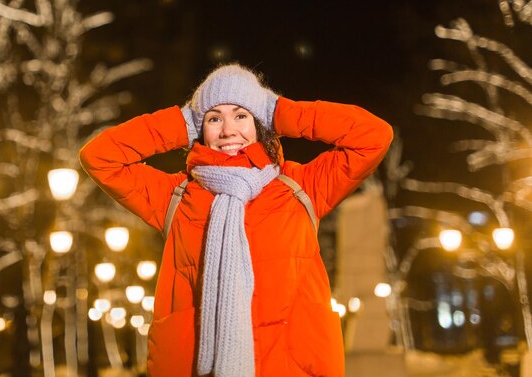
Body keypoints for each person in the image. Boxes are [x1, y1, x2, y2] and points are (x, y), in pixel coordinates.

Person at [79, 64, 393, 377]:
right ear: (200, 128)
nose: (229, 130)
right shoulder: (176, 197)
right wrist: (183, 122)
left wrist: (280, 111)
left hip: (291, 367)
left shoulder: (300, 186)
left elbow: (374, 136)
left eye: (241, 115)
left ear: (260, 122)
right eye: (214, 118)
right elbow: (100, 157)